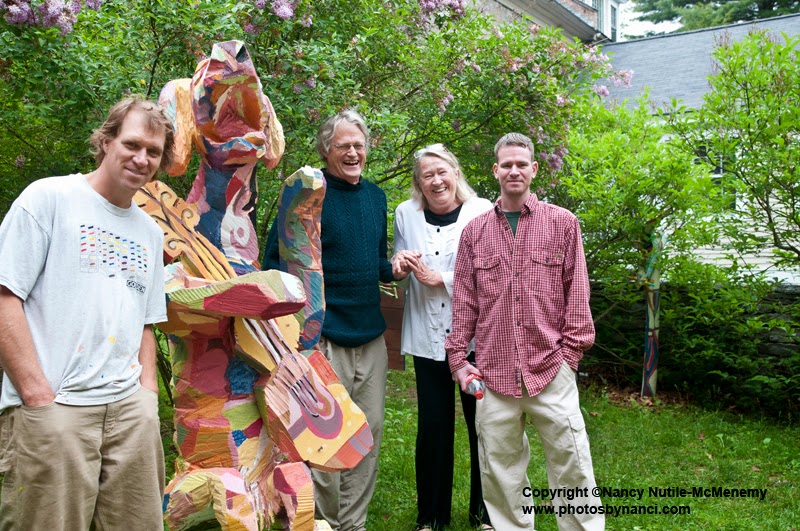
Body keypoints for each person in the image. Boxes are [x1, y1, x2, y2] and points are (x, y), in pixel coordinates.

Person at [0, 96, 174, 530]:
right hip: (56, 410)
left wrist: (147, 397)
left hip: (129, 414)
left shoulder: (150, 234)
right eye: (132, 144)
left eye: (153, 152)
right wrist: (38, 396)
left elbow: (146, 324)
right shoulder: (49, 199)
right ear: (107, 140)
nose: (142, 158)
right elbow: (5, 297)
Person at [445, 133, 604, 530]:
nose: (513, 170)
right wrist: (458, 362)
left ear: (533, 170)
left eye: (521, 164)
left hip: (551, 368)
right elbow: (464, 302)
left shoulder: (563, 224)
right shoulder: (474, 233)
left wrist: (570, 357)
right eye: (506, 164)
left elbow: (578, 294)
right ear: (495, 170)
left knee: (573, 467)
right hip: (494, 374)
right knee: (502, 475)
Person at [263, 110, 407, 531]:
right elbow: (278, 260)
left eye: (358, 144)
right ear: (326, 149)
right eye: (343, 144)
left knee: (368, 433)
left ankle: (353, 523)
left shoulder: (376, 198)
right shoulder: (308, 195)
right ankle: (322, 522)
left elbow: (375, 259)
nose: (352, 151)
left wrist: (393, 267)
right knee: (324, 439)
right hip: (322, 336)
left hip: (370, 336)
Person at [392, 144, 493, 531]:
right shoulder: (406, 213)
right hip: (428, 338)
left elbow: (494, 273)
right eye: (426, 175)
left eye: (442, 172)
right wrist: (400, 265)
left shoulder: (482, 211)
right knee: (433, 427)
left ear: (455, 172)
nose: (436, 181)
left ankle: (484, 513)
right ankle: (431, 516)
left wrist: (443, 279)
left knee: (482, 424)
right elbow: (401, 261)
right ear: (419, 182)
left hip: (475, 341)